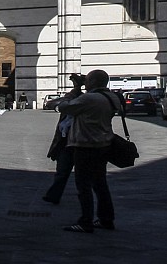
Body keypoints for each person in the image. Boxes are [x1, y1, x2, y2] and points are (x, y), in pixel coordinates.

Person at [55, 69, 126, 233]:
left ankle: (85, 221)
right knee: (100, 184)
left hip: (85, 145)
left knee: (83, 185)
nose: (84, 82)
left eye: (87, 80)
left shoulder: (89, 98)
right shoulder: (112, 97)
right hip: (104, 145)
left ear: (93, 82)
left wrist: (75, 89)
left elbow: (64, 107)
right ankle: (106, 219)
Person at [42, 74, 83, 205]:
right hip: (66, 142)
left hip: (81, 143)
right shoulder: (80, 102)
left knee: (83, 176)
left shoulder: (87, 101)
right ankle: (54, 195)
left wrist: (76, 88)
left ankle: (88, 208)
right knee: (62, 171)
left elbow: (64, 104)